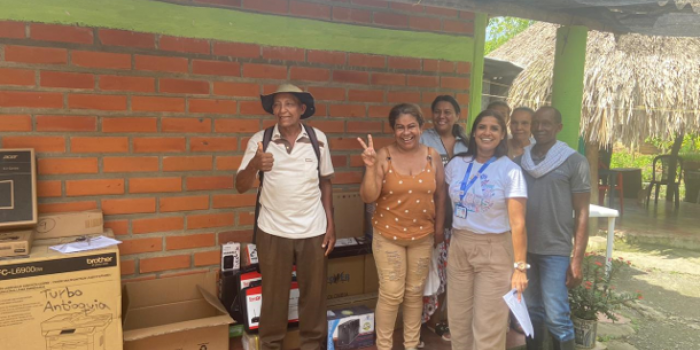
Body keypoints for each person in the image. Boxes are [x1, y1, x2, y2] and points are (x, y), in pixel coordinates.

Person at [235, 84, 335, 350]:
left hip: (313, 230)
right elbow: (240, 185)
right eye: (277, 104)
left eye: (289, 103)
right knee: (274, 300)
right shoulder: (261, 140)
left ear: (302, 109)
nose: (282, 110)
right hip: (272, 231)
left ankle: (312, 346)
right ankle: (269, 346)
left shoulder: (318, 139)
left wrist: (330, 225)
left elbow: (326, 182)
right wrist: (255, 164)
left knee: (314, 299)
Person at [358, 103, 445, 350]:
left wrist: (438, 229)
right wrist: (370, 167)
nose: (406, 133)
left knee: (414, 293)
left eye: (412, 126)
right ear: (393, 130)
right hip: (388, 236)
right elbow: (368, 196)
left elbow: (440, 194)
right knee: (391, 293)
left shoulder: (432, 155)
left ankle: (411, 344)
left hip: (422, 236)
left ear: (421, 127)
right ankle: (384, 346)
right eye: (400, 127)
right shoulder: (383, 156)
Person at [445, 109, 528, 350]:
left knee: (488, 326)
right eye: (482, 127)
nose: (487, 132)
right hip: (460, 245)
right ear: (474, 132)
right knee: (458, 322)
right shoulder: (457, 165)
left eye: (494, 128)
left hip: (494, 249)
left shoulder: (510, 171)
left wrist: (520, 268)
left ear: (502, 135)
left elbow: (518, 223)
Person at [514, 106, 591, 350]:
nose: (539, 128)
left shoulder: (574, 162)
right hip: (523, 251)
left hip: (555, 250)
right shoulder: (519, 162)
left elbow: (582, 212)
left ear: (559, 127)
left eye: (547, 124)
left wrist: (576, 260)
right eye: (536, 123)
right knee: (531, 311)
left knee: (557, 316)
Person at [418, 95, 469, 342]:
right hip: (429, 217)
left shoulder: (466, 143)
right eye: (437, 111)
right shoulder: (422, 138)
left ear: (457, 115)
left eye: (448, 112)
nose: (442, 116)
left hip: (458, 219)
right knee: (430, 271)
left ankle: (445, 319)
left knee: (451, 272)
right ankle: (429, 320)